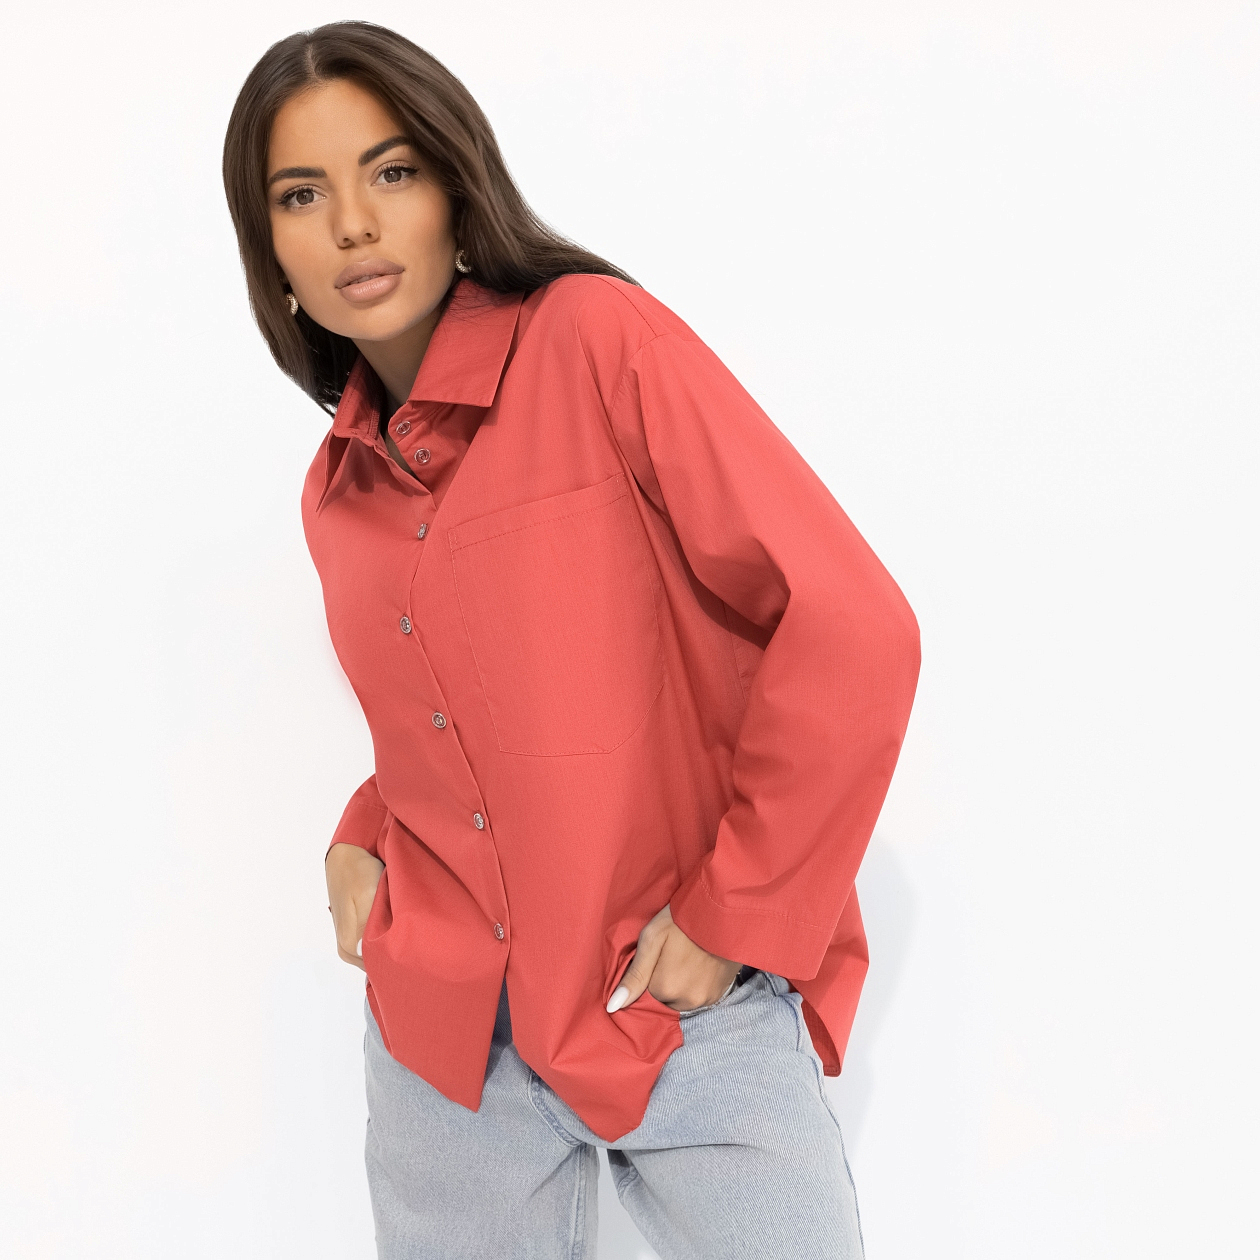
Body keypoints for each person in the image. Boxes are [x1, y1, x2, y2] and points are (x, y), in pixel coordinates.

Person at [222, 20, 920, 1260]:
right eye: (301, 195)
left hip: (676, 1008)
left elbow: (853, 628)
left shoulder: (595, 341)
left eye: (392, 172)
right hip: (447, 1052)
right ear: (269, 251)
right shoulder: (336, 493)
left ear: (456, 188)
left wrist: (732, 919)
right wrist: (361, 833)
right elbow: (457, 715)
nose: (354, 226)